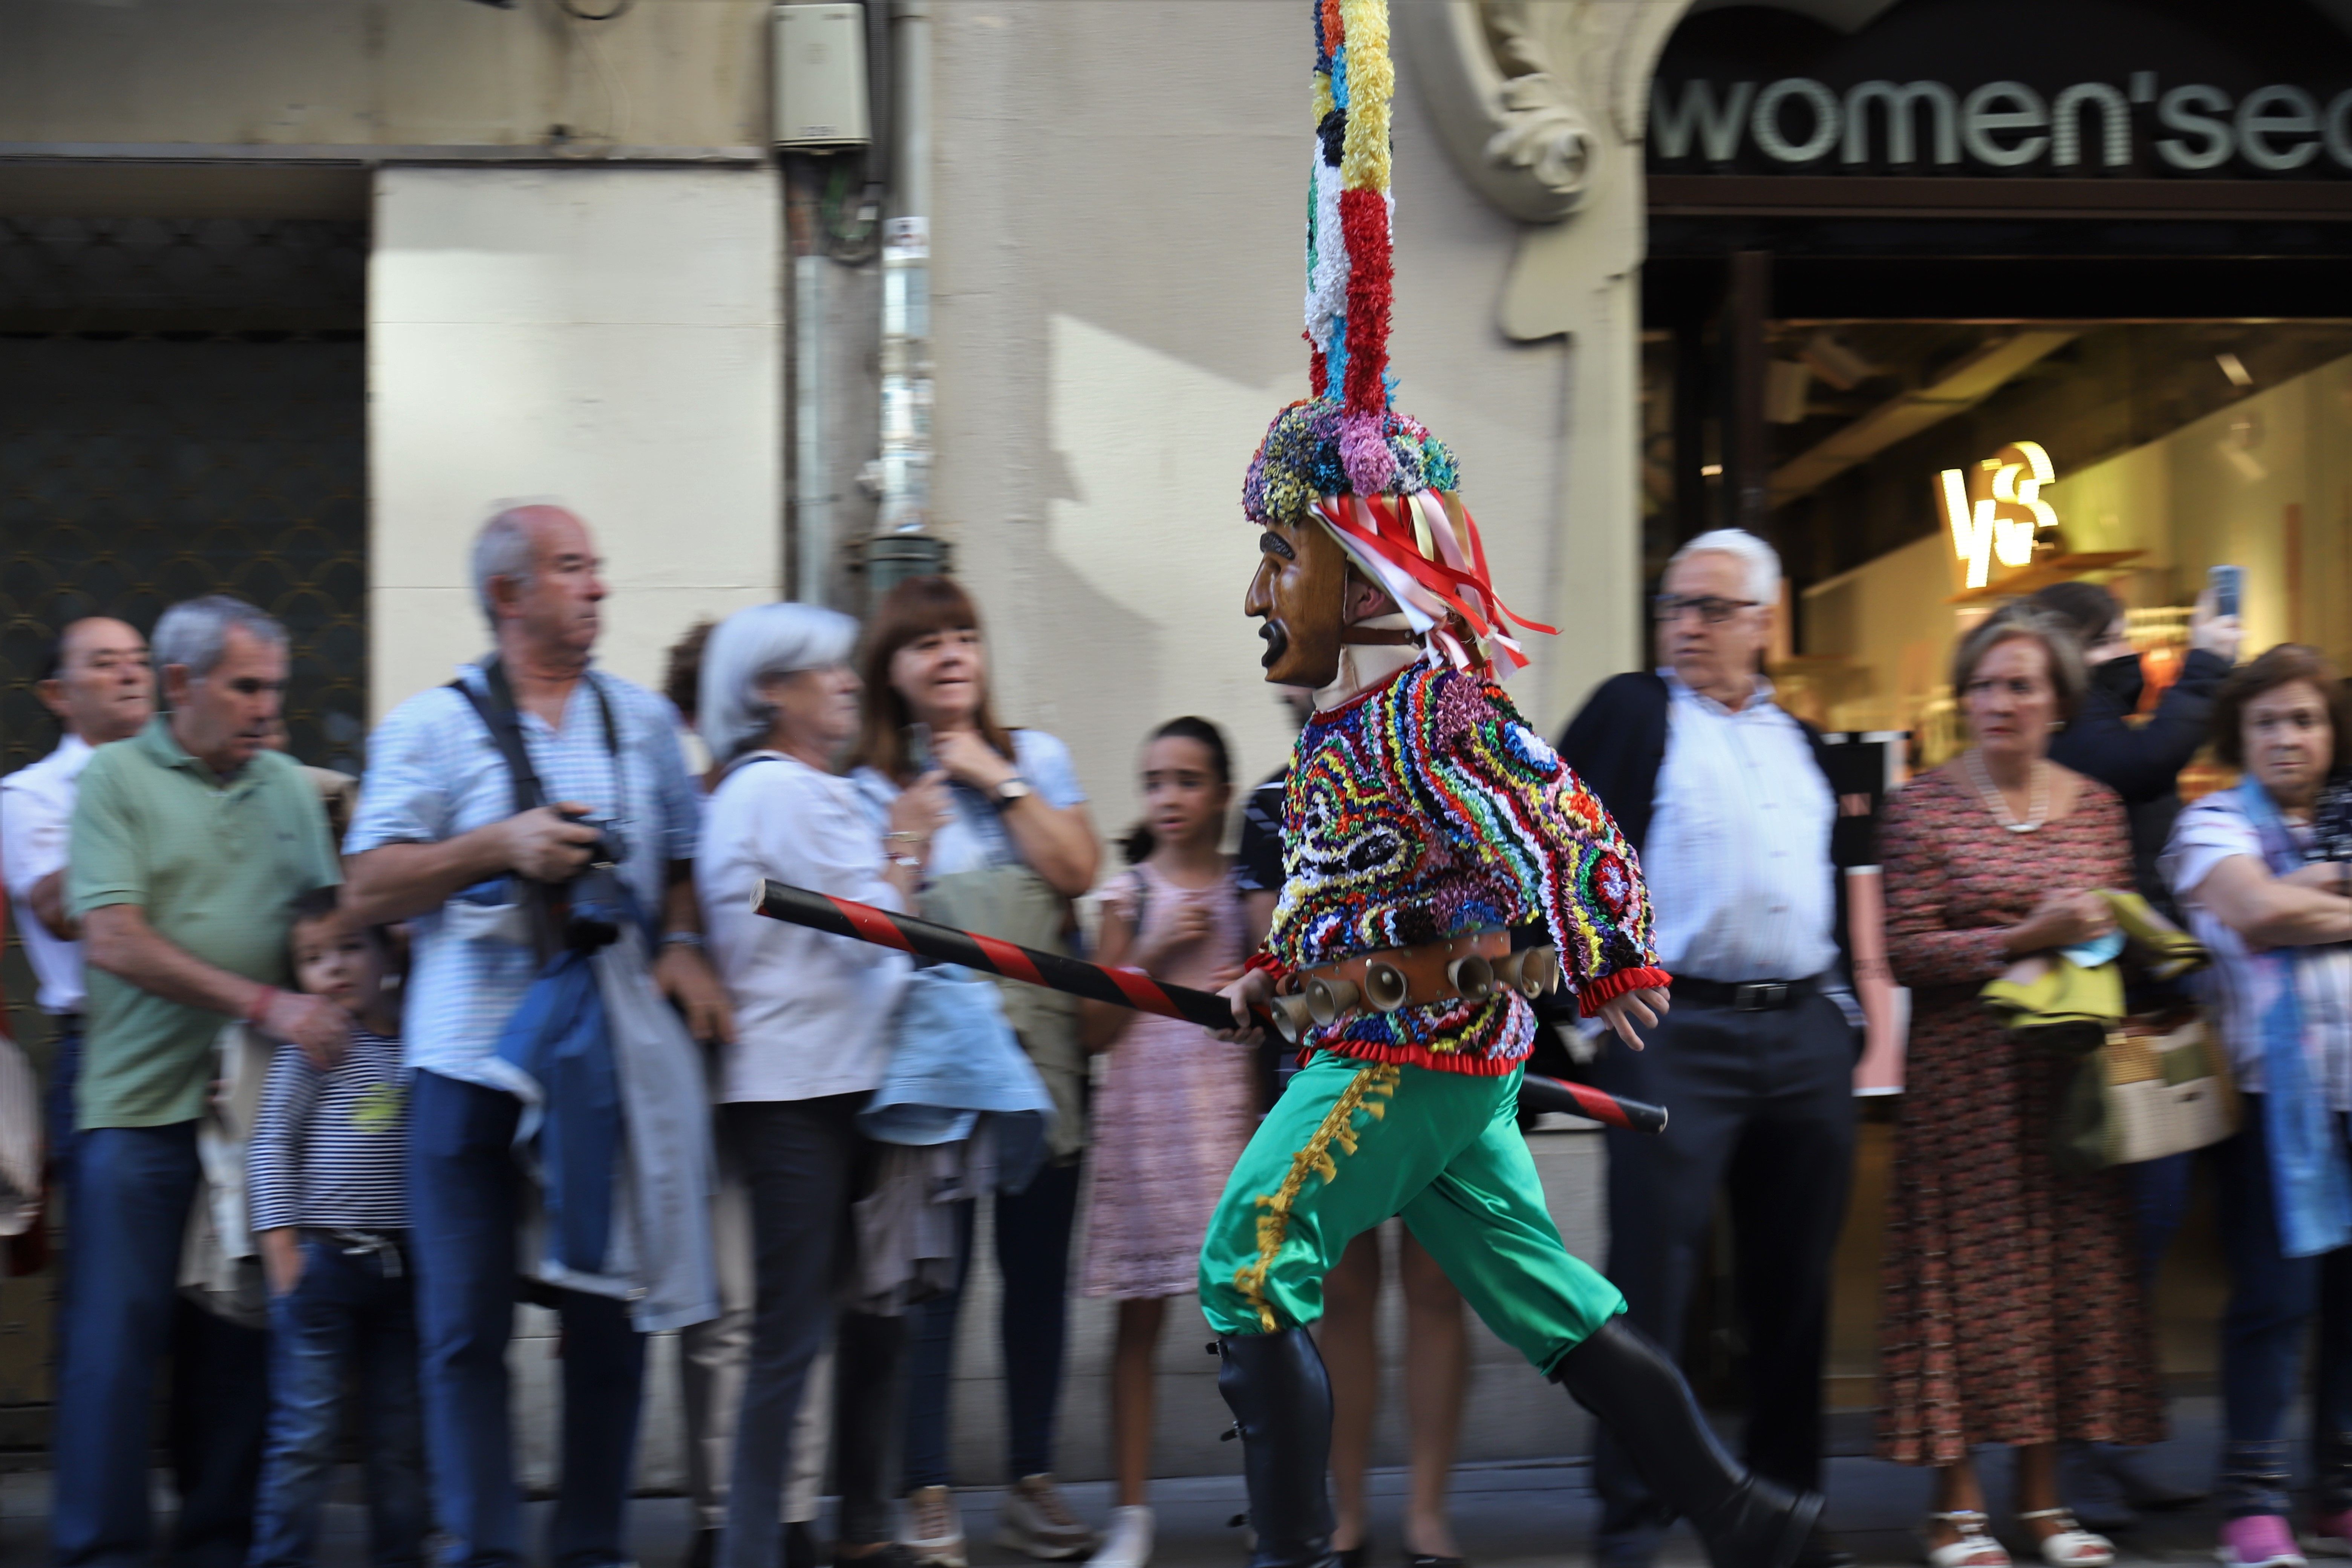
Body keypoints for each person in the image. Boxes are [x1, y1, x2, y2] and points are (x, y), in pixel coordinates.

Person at [343, 504, 729, 1568]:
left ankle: (592, 1548)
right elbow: (368, 882)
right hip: (464, 1059)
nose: (598, 587)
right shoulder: (428, 727)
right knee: (465, 1329)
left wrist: (686, 942)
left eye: (596, 568)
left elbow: (688, 865)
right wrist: (500, 844)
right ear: (509, 596)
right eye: (571, 570)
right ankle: (483, 1548)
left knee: (604, 1317)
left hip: (604, 1061)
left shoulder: (642, 722)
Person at [1557, 528, 1857, 1568]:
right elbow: (1551, 844)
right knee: (1650, 1286)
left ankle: (1782, 1511)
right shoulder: (1636, 712)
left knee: (1793, 1289)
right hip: (1674, 1029)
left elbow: (1837, 880)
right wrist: (1584, 1008)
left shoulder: (1803, 742)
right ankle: (1634, 1522)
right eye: (1673, 604)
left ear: (1766, 625)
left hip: (1802, 1028)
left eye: (1711, 609)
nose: (1684, 625)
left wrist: (1848, 1016)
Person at [53, 595, 348, 1568]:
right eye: (247, 686)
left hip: (257, 1120)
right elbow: (112, 936)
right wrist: (268, 1007)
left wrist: (345, 949)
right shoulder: (116, 778)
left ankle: (221, 1545)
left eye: (277, 688)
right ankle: (103, 1552)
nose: (269, 707)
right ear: (182, 687)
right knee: (116, 1350)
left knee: (238, 1342)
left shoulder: (287, 790)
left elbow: (319, 926)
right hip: (137, 1110)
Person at [1876, 604, 2163, 1568]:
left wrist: (2096, 939)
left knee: (2063, 1281)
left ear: (2059, 703)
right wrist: (2024, 936)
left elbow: (2112, 933)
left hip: (2069, 1078)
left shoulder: (2097, 806)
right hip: (1964, 1078)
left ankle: (2043, 1503)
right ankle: (1955, 1505)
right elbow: (1907, 951)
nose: (1998, 701)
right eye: (1985, 684)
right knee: (1962, 1282)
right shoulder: (1921, 804)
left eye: (2021, 685)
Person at [848, 576, 1102, 1567]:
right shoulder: (869, 783)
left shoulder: (1035, 758)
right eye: (926, 645)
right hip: (936, 1064)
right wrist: (911, 826)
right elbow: (877, 917)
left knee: (1036, 1279)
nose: (952, 655)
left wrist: (990, 775)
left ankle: (1031, 1479)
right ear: (892, 673)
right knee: (935, 1284)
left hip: (1043, 1057)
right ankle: (926, 1489)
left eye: (965, 636)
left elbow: (1078, 870)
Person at [693, 602, 947, 1568]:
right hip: (803, 1096)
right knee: (793, 1335)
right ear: (768, 692)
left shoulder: (787, 792)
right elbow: (879, 924)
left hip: (827, 1088)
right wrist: (909, 839)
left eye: (849, 669)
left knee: (853, 1322)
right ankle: (757, 1547)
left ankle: (850, 1534)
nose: (849, 683)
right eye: (824, 671)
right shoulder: (782, 794)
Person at [1236, 688, 1474, 1568]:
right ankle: (1348, 1515)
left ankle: (1428, 1516)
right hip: (1325, 1066)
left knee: (1437, 1286)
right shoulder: (1273, 801)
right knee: (1341, 1292)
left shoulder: (1445, 786)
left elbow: (1484, 932)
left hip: (1444, 1062)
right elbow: (1286, 954)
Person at [2032, 577, 2235, 1527]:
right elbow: (2148, 760)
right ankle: (2077, 1464)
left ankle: (2108, 1450)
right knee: (2107, 1245)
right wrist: (2204, 663)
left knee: (2141, 1242)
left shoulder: (2099, 724)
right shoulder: (2082, 731)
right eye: (2117, 643)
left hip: (2152, 1021)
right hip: (2103, 1032)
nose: (2130, 659)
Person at [2160, 645, 2352, 1568]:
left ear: (2330, 734)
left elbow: (2284, 908)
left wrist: (2307, 891)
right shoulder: (2211, 824)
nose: (2288, 736)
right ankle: (2254, 1499)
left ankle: (2340, 1490)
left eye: (2305, 719)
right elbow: (2259, 915)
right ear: (2242, 732)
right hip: (2277, 1108)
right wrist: (2294, 897)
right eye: (2270, 720)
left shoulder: (2343, 820)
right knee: (2277, 1302)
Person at [659, 615, 832, 1568]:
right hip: (707, 1083)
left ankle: (790, 1512)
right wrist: (683, 944)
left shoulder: (796, 787)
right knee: (725, 1309)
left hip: (787, 1083)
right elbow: (672, 902)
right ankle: (724, 1516)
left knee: (781, 1309)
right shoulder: (690, 799)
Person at [1077, 717, 1257, 1568]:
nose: (1170, 797)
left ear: (1222, 791)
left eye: (1187, 780)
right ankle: (1133, 1515)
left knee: (1255, 1324)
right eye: (1155, 782)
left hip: (1224, 1122)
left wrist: (1249, 990)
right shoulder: (1128, 894)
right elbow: (1093, 1030)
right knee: (1138, 1327)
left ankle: (1274, 1499)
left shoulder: (1247, 890)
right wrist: (1151, 952)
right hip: (1146, 1129)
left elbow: (1274, 1015)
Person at [246, 888, 424, 1568]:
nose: (335, 968)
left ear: (389, 951)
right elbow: (270, 1148)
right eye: (314, 958)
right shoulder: (312, 1050)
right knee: (305, 1436)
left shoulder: (416, 1040)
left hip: (404, 1273)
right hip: (324, 1266)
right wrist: (282, 1250)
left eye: (351, 947)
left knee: (400, 1440)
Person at [2, 616, 153, 1191]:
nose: (130, 674)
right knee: (112, 1267)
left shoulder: (191, 777)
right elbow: (63, 914)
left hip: (212, 1045)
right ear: (57, 695)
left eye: (139, 659)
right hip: (104, 1049)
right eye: (104, 662)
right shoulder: (29, 795)